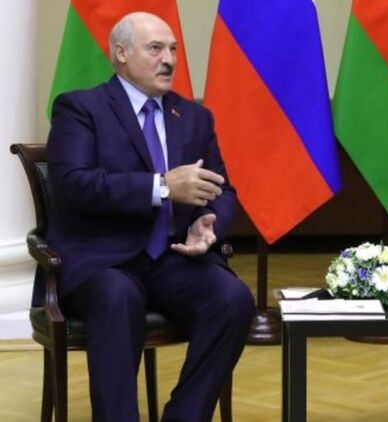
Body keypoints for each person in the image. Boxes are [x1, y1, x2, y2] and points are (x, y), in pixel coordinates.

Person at [43, 12, 254, 421]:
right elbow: (73, 184)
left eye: (173, 49)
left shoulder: (193, 116)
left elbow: (222, 189)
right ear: (121, 53)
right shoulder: (81, 108)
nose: (169, 59)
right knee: (118, 295)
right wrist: (161, 187)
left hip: (172, 257)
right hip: (102, 260)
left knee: (232, 300)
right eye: (155, 49)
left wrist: (208, 223)